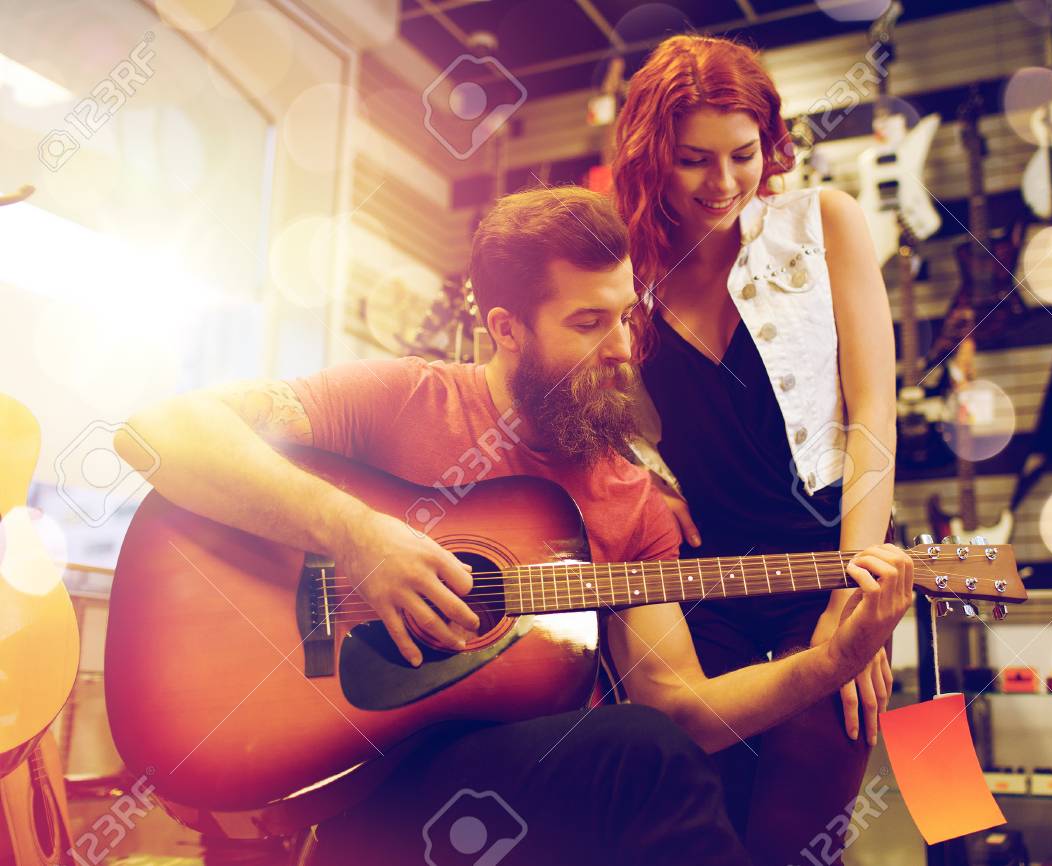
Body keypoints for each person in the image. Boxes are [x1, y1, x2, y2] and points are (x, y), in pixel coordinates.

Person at [116, 186, 912, 864]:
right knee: (636, 756)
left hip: (508, 798)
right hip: (362, 791)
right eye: (587, 323)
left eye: (626, 318)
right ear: (507, 329)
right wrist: (356, 535)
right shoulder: (401, 399)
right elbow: (156, 432)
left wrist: (830, 661)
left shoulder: (628, 494)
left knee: (643, 746)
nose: (622, 349)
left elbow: (679, 710)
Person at [611, 34, 900, 865]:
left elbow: (873, 408)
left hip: (827, 564)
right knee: (699, 829)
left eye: (743, 155)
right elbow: (590, 414)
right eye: (692, 160)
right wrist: (643, 478)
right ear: (650, 156)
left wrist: (858, 589)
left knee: (802, 833)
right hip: (694, 585)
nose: (723, 183)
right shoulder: (621, 268)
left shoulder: (824, 222)